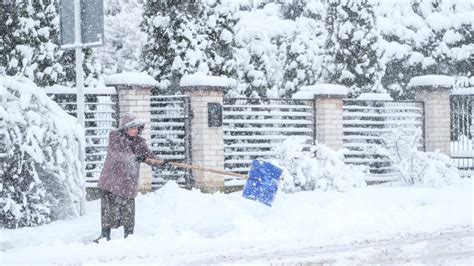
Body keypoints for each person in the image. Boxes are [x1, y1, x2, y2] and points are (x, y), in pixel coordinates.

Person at [94, 113, 164, 242]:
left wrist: (160, 162)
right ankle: (105, 235)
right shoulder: (115, 137)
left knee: (128, 211)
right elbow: (119, 155)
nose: (135, 131)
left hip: (128, 182)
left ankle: (129, 237)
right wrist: (135, 157)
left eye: (137, 128)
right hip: (111, 180)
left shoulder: (140, 142)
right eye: (132, 128)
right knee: (108, 210)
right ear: (125, 128)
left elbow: (148, 155)